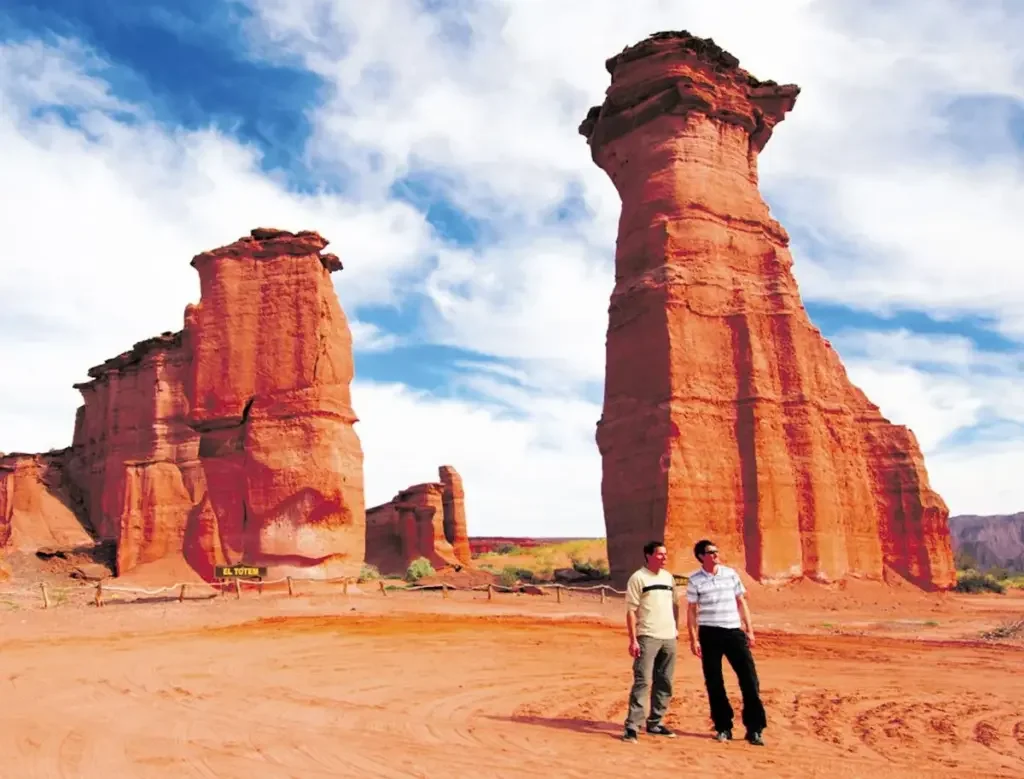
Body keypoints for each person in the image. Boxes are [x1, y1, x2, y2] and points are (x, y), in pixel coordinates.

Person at [685, 539, 767, 746]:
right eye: (711, 552)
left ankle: (755, 728)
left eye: (716, 551)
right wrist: (694, 639)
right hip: (709, 634)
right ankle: (723, 727)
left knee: (749, 679)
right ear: (701, 556)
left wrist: (749, 630)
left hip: (733, 631)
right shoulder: (695, 580)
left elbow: (741, 602)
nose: (715, 555)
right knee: (714, 682)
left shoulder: (730, 574)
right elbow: (692, 610)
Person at [621, 540, 679, 743]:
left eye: (665, 554)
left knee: (665, 681)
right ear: (648, 555)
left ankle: (655, 723)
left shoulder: (668, 577)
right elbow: (630, 610)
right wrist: (633, 640)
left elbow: (675, 605)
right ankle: (632, 726)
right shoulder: (638, 578)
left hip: (669, 636)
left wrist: (676, 628)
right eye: (660, 554)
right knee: (643, 681)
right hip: (647, 636)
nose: (664, 558)